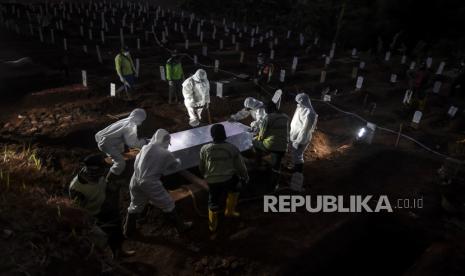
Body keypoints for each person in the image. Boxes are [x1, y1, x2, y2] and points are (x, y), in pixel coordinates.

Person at [124, 129, 192, 237]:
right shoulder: (165, 153)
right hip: (150, 182)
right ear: (165, 141)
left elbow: (138, 160)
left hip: (135, 179)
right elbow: (175, 166)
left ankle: (128, 230)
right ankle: (181, 227)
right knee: (168, 204)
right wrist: (180, 158)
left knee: (135, 205)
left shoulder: (145, 148)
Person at [69, 154, 134, 259]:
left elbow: (104, 183)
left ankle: (118, 253)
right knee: (101, 240)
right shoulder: (77, 188)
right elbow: (78, 210)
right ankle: (104, 260)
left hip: (106, 207)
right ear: (92, 169)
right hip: (94, 216)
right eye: (101, 169)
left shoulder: (96, 174)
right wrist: (91, 224)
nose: (104, 171)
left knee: (116, 231)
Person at [199, 124, 249, 232]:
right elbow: (240, 166)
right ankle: (229, 212)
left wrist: (205, 176)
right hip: (228, 179)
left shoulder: (204, 149)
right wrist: (245, 177)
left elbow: (201, 167)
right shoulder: (232, 148)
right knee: (235, 190)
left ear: (212, 135)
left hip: (212, 181)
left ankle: (212, 226)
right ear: (224, 134)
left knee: (213, 202)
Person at [95, 108, 147, 182]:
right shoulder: (131, 126)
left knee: (121, 145)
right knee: (120, 163)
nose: (141, 123)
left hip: (104, 141)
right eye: (142, 121)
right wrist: (144, 142)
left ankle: (115, 156)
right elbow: (131, 143)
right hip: (108, 146)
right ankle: (108, 181)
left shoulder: (123, 121)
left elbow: (99, 134)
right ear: (139, 119)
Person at [253, 101, 289, 190]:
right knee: (276, 166)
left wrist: (255, 137)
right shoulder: (286, 117)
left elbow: (261, 135)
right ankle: (274, 185)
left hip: (270, 145)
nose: (265, 111)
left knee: (254, 142)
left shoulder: (268, 117)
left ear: (270, 109)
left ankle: (258, 165)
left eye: (266, 109)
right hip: (284, 146)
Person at [289, 93, 318, 192]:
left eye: (299, 102)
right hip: (294, 135)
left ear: (304, 102)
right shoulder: (300, 108)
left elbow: (305, 130)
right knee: (294, 155)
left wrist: (298, 141)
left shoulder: (311, 114)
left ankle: (297, 183)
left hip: (302, 139)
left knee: (298, 157)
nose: (298, 104)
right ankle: (294, 170)